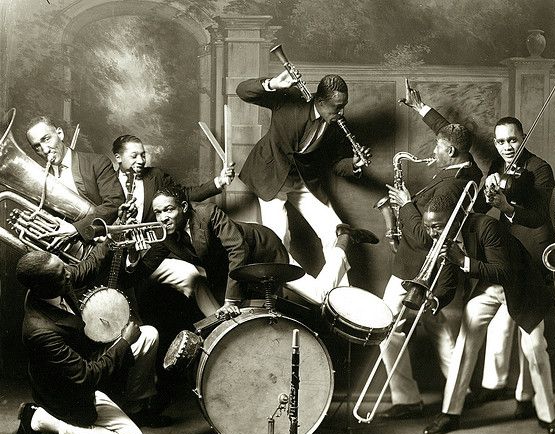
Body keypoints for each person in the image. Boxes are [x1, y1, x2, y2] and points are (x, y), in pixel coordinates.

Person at [375, 80, 483, 420]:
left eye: (437, 147)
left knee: (384, 329)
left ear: (449, 152)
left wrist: (405, 205)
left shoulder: (449, 189)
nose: (432, 152)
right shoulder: (469, 171)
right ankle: (460, 390)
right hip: (432, 272)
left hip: (415, 268)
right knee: (438, 332)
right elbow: (452, 136)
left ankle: (407, 398)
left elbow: (423, 236)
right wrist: (422, 109)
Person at [421, 192, 555, 434]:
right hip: (491, 286)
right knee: (466, 338)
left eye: (436, 227)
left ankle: (548, 416)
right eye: (428, 227)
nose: (432, 233)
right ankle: (450, 413)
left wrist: (463, 261)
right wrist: (435, 299)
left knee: (534, 349)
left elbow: (504, 271)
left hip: (521, 286)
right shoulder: (444, 237)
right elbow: (447, 278)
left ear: (456, 219)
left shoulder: (486, 225)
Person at [135, 186, 378, 317]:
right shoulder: (163, 232)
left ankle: (344, 239)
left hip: (263, 251)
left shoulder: (207, 213)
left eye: (169, 210)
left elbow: (238, 250)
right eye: (158, 213)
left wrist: (230, 300)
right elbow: (144, 268)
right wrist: (129, 257)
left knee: (320, 296)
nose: (163, 217)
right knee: (204, 291)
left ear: (184, 207)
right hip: (234, 273)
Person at [14, 246, 160, 434]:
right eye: (62, 274)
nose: (69, 273)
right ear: (42, 286)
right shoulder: (39, 331)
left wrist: (110, 240)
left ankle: (135, 408)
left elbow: (86, 267)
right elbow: (86, 376)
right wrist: (124, 343)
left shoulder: (53, 281)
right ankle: (39, 419)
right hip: (71, 395)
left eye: (64, 267)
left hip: (84, 359)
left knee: (149, 335)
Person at [236, 72, 370, 262]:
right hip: (271, 176)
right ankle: (279, 290)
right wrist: (272, 84)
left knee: (335, 232)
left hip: (302, 180)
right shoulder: (290, 99)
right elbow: (242, 91)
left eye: (344, 107)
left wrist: (354, 164)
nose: (342, 113)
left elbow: (337, 163)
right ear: (321, 102)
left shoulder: (337, 124)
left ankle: (336, 289)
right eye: (338, 107)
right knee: (279, 240)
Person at [471, 116, 555, 417]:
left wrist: (507, 207)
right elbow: (482, 207)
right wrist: (486, 191)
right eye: (502, 141)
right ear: (495, 143)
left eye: (513, 140)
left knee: (530, 332)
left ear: (522, 138)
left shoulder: (540, 169)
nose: (508, 146)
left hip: (532, 254)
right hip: (507, 256)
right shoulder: (495, 167)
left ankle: (526, 396)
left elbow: (537, 216)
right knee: (502, 323)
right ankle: (496, 387)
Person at [113, 134, 235, 317]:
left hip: (156, 248)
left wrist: (219, 182)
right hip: (120, 258)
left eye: (143, 155)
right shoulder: (107, 182)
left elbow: (183, 196)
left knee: (192, 275)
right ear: (118, 157)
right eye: (134, 156)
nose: (141, 160)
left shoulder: (156, 176)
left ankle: (220, 325)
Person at [25, 116, 125, 242]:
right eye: (37, 146)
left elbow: (115, 203)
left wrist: (77, 229)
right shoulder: (41, 182)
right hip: (70, 253)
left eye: (46, 139)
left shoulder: (97, 163)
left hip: (105, 244)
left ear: (60, 134)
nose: (44, 150)